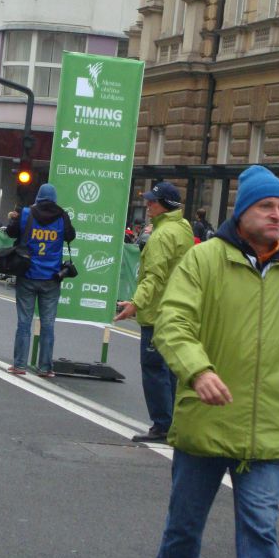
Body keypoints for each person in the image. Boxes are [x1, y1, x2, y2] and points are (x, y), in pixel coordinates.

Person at [151, 165, 279, 558]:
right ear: (243, 211)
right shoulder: (203, 260)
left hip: (268, 429)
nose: (277, 215)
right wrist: (199, 371)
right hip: (206, 422)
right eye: (267, 205)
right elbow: (172, 323)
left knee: (261, 530)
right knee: (183, 530)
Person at [115, 182, 195, 443]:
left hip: (157, 311)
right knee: (171, 370)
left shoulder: (161, 236)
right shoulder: (182, 227)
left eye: (153, 202)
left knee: (154, 368)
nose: (148, 206)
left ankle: (162, 425)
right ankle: (174, 424)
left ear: (166, 205)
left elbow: (154, 277)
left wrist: (135, 304)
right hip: (177, 308)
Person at [4, 184, 75, 377]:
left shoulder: (27, 213)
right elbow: (71, 236)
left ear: (38, 196)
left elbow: (10, 232)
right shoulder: (62, 216)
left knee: (24, 322)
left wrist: (15, 218)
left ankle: (19, 365)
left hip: (27, 274)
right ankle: (45, 367)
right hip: (52, 277)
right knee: (48, 324)